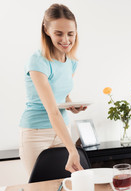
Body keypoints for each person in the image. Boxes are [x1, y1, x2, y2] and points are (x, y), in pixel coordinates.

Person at [19, 4, 86, 176]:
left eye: (70, 34)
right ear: (46, 30)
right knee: (41, 189)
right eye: (59, 33)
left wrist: (72, 105)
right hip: (36, 134)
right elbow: (52, 111)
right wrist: (72, 149)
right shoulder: (37, 61)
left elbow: (62, 95)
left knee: (67, 185)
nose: (66, 40)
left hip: (62, 129)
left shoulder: (71, 62)